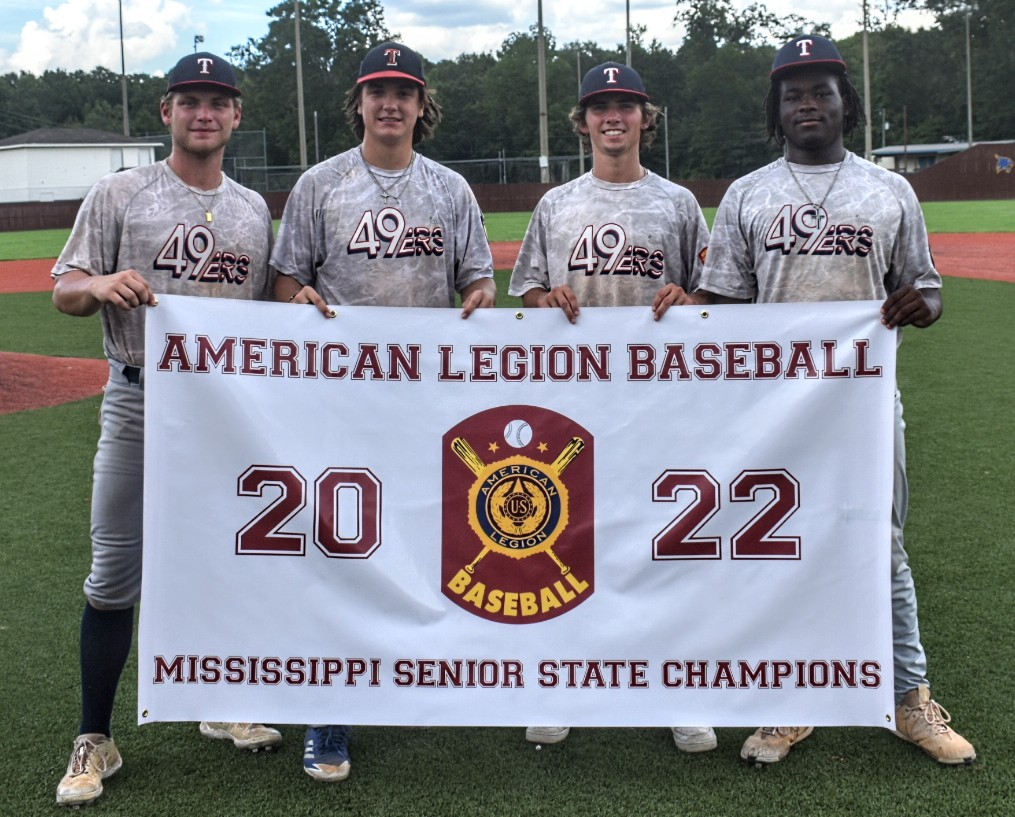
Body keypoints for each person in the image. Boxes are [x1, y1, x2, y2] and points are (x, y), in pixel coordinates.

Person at [688, 34, 976, 767]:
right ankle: (792, 700)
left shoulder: (888, 190)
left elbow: (926, 286)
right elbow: (718, 303)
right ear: (775, 111)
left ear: (846, 103)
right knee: (781, 553)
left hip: (864, 405)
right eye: (793, 95)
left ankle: (910, 699)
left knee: (879, 548)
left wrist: (922, 304)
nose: (807, 104)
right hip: (772, 411)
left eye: (821, 91)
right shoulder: (749, 194)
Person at [52, 52, 281, 807]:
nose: (204, 113)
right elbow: (64, 288)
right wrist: (97, 283)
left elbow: (260, 321)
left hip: (222, 410)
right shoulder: (121, 190)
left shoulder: (251, 209)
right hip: (139, 395)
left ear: (236, 116)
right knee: (114, 570)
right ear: (166, 112)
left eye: (218, 101)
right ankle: (95, 735)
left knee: (228, 559)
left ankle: (222, 699)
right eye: (190, 100)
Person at [271, 41, 496, 782]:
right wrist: (297, 300)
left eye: (403, 91)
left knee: (429, 539)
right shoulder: (320, 183)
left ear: (421, 104)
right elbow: (286, 283)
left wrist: (476, 304)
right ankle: (329, 710)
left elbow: (477, 285)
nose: (390, 103)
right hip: (338, 396)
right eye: (377, 91)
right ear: (359, 102)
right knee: (339, 547)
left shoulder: (449, 189)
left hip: (426, 397)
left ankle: (426, 673)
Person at [508, 62, 715, 753]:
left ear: (644, 119)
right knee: (565, 542)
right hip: (572, 406)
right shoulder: (557, 204)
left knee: (662, 545)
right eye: (600, 108)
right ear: (584, 121)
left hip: (660, 404)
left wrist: (687, 300)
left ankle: (676, 688)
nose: (612, 117)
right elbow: (529, 293)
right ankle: (559, 681)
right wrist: (548, 301)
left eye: (625, 106)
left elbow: (706, 299)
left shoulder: (677, 203)